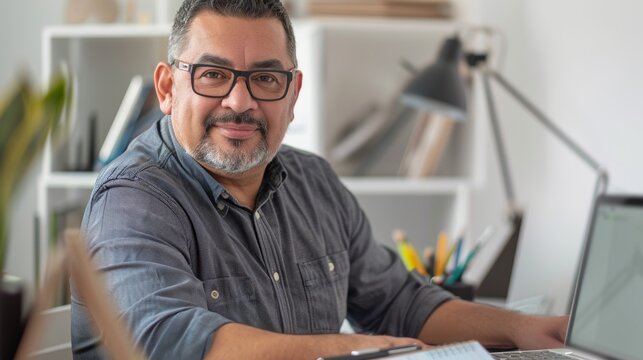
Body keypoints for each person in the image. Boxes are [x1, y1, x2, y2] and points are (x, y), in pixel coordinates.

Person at [71, 0, 568, 358]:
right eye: (213, 75)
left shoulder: (314, 182)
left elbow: (400, 302)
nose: (240, 102)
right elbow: (169, 343)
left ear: (293, 93)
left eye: (265, 78)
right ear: (167, 86)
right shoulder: (132, 199)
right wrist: (357, 351)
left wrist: (526, 330)